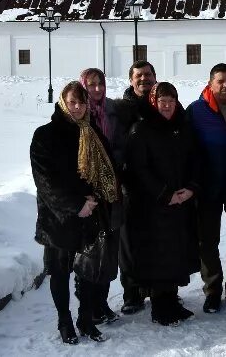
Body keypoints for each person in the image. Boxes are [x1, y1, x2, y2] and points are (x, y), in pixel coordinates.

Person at [30, 81, 119, 344]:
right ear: (63, 103)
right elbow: (45, 180)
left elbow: (107, 172)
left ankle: (85, 317)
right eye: (72, 102)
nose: (78, 107)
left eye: (82, 102)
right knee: (60, 272)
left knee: (89, 271)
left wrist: (95, 200)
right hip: (59, 218)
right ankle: (64, 320)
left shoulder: (93, 134)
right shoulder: (45, 135)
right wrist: (75, 205)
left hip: (91, 214)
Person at [120, 82, 200, 326]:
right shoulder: (142, 129)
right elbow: (138, 169)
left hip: (181, 201)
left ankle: (172, 299)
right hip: (153, 205)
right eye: (162, 101)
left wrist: (192, 188)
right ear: (154, 102)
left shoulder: (183, 127)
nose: (167, 105)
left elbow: (197, 159)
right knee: (158, 255)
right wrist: (165, 194)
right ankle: (159, 305)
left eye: (171, 100)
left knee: (177, 252)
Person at [187, 63, 226, 313]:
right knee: (208, 241)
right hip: (207, 188)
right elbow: (186, 148)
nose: (225, 85)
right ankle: (213, 290)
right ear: (210, 82)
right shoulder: (196, 111)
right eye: (220, 81)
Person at [78, 68, 124, 325]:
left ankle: (102, 302)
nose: (97, 89)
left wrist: (113, 163)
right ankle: (89, 305)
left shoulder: (112, 113)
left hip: (113, 189)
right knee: (91, 251)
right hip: (89, 193)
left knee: (109, 249)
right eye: (92, 85)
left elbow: (120, 144)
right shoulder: (79, 116)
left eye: (101, 84)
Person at [115, 61, 158, 315]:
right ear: (131, 80)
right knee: (129, 243)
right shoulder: (122, 110)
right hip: (130, 185)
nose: (144, 79)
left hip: (159, 185)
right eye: (139, 76)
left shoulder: (163, 102)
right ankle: (132, 293)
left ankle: (156, 288)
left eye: (148, 75)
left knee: (156, 239)